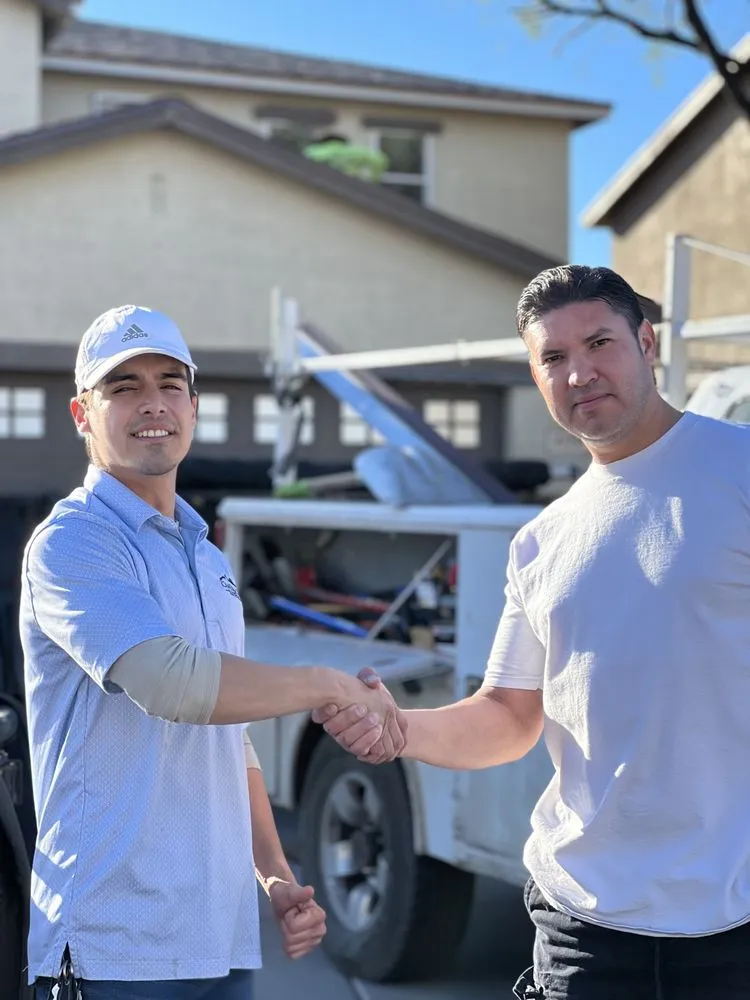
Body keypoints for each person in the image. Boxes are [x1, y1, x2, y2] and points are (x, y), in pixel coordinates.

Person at [315, 265, 750, 1000]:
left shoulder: (736, 468)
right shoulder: (542, 539)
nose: (579, 372)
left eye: (600, 342)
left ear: (646, 343)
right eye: (553, 357)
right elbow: (510, 717)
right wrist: (399, 732)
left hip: (731, 929)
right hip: (582, 930)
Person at [20, 304, 405, 1000]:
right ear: (82, 414)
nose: (153, 403)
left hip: (218, 942)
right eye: (124, 386)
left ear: (194, 407)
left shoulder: (204, 553)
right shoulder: (75, 541)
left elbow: (233, 738)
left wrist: (275, 874)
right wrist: (331, 685)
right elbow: (173, 685)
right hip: (114, 947)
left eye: (170, 384)